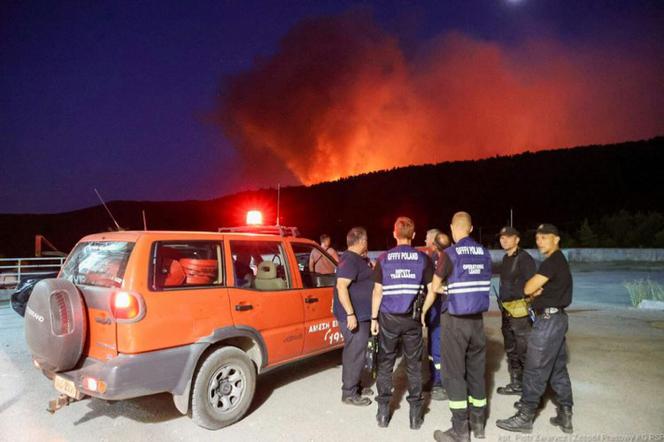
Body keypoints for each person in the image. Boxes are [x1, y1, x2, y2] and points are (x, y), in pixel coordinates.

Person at [496, 224, 574, 434]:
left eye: (545, 237)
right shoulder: (558, 261)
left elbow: (528, 287)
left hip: (548, 321)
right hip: (557, 318)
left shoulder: (552, 261)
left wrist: (532, 290)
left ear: (556, 239)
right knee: (557, 369)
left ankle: (525, 415)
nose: (540, 241)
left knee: (534, 367)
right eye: (538, 238)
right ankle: (565, 415)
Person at [431, 212, 492, 441]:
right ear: (471, 227)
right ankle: (478, 424)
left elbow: (436, 285)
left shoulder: (450, 254)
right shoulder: (484, 253)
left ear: (452, 228)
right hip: (477, 321)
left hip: (455, 321)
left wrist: (445, 288)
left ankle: (459, 430)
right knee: (477, 372)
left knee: (454, 373)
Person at [370, 217, 435, 430]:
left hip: (388, 318)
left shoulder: (383, 259)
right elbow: (431, 289)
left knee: (386, 363)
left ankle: (382, 413)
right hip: (413, 320)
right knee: (414, 365)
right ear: (414, 235)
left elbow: (377, 291)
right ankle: (415, 416)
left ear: (394, 233)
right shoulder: (423, 259)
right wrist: (424, 313)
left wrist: (373, 319)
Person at [334, 227, 375, 406]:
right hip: (354, 316)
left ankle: (355, 384)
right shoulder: (350, 260)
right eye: (366, 241)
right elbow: (341, 286)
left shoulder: (356, 259)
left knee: (358, 352)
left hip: (360, 315)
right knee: (354, 353)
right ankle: (349, 393)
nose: (367, 244)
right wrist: (350, 313)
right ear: (361, 241)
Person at [496, 226, 536, 396]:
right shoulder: (506, 258)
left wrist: (528, 306)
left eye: (508, 237)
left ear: (517, 239)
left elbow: (534, 286)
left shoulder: (525, 259)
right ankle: (516, 384)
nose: (504, 240)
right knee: (511, 349)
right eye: (502, 237)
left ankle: (531, 392)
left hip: (520, 314)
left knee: (524, 352)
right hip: (507, 311)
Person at [422, 229, 450, 401]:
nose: (425, 240)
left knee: (440, 346)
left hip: (442, 307)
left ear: (434, 240)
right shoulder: (432, 258)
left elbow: (436, 286)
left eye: (426, 237)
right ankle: (434, 378)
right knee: (433, 346)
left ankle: (442, 383)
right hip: (434, 308)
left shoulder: (447, 258)